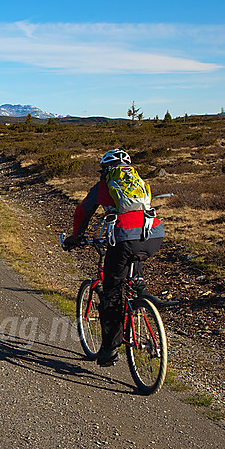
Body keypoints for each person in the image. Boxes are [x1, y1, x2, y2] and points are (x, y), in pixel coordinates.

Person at [62, 149, 164, 367]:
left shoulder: (104, 185)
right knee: (132, 260)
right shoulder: (138, 181)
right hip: (154, 234)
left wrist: (75, 237)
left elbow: (83, 212)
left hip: (125, 237)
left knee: (111, 293)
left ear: (105, 169)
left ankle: (108, 349)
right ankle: (141, 290)